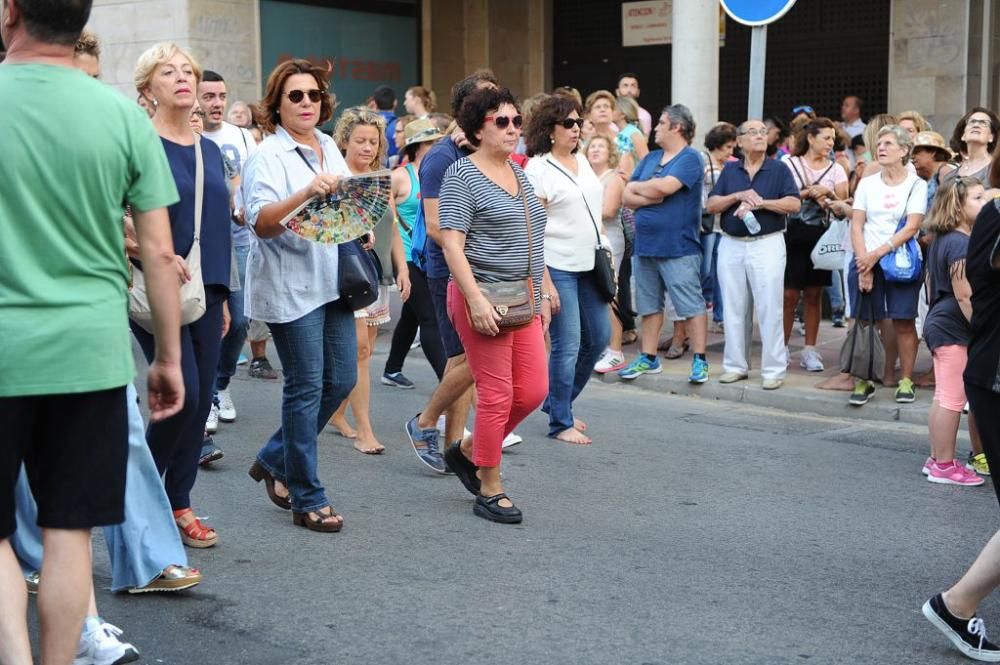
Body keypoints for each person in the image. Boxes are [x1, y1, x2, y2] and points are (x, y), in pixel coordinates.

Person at [0, 2, 184, 662]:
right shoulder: (119, 116)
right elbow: (160, 254)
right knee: (68, 528)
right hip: (90, 352)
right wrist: (167, 357)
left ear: (11, 12)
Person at [243, 58, 355, 532]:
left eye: (313, 95)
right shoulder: (266, 155)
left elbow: (345, 201)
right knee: (306, 386)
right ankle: (306, 496)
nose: (306, 102)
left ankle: (274, 457)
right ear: (277, 104)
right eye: (295, 95)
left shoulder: (329, 144)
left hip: (333, 280)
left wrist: (360, 220)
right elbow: (261, 223)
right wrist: (307, 192)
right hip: (290, 285)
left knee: (341, 380)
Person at [132, 42, 233, 548]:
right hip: (157, 286)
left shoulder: (208, 148)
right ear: (146, 88)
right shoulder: (137, 145)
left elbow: (214, 226)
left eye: (188, 70)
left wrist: (223, 293)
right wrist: (146, 250)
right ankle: (139, 496)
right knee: (184, 396)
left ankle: (179, 501)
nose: (182, 78)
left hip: (206, 289)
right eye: (167, 71)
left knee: (199, 402)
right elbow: (109, 215)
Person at [438, 86, 551, 523]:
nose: (512, 129)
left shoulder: (520, 173)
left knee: (534, 391)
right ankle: (490, 484)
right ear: (477, 128)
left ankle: (468, 450)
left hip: (522, 299)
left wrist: (541, 299)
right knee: (497, 394)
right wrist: (475, 300)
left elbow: (534, 241)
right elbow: (452, 244)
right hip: (480, 297)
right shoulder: (462, 175)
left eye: (516, 121)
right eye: (501, 122)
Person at [404, 69, 518, 475]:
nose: (501, 116)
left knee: (465, 361)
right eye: (491, 108)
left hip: (489, 274)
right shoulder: (439, 157)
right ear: (469, 110)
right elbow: (436, 226)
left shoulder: (484, 152)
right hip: (448, 272)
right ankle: (426, 424)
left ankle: (452, 442)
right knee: (466, 360)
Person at [921, 182, 1000, 661]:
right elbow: (969, 292)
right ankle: (956, 603)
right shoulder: (992, 218)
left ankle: (957, 604)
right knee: (947, 399)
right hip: (992, 374)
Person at [524, 94, 609, 444]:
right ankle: (561, 421)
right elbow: (532, 228)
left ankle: (558, 402)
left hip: (591, 263)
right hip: (557, 267)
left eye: (579, 122)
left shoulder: (583, 162)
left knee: (600, 338)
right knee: (568, 343)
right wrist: (544, 283)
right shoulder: (538, 169)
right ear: (550, 129)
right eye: (569, 124)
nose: (577, 129)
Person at [327, 107, 411, 455]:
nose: (366, 147)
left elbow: (391, 226)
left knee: (366, 350)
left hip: (377, 276)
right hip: (347, 275)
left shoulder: (382, 177)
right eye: (360, 140)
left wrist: (402, 267)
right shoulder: (335, 176)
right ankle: (365, 430)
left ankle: (337, 412)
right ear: (344, 141)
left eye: (373, 142)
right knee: (360, 351)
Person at [706, 119, 801, 390]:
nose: (759, 136)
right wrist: (738, 195)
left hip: (767, 242)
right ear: (740, 141)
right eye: (753, 132)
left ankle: (773, 369)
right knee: (734, 307)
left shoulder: (779, 168)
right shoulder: (730, 170)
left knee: (770, 306)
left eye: (763, 132)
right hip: (731, 242)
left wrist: (762, 203)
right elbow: (712, 204)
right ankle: (735, 366)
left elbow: (794, 203)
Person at [619, 105, 708, 384]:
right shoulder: (651, 158)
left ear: (676, 127)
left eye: (660, 122)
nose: (655, 127)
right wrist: (651, 194)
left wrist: (646, 190)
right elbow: (626, 195)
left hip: (678, 246)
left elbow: (667, 188)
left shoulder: (691, 158)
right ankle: (648, 357)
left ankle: (700, 359)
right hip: (645, 245)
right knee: (649, 305)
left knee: (690, 304)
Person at [847, 125, 927, 406]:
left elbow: (912, 227)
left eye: (888, 143)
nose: (880, 148)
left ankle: (905, 379)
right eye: (879, 143)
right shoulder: (868, 184)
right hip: (866, 259)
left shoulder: (917, 184)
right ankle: (863, 379)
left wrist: (875, 256)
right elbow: (856, 225)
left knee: (904, 320)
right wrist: (864, 264)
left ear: (904, 151)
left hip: (900, 261)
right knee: (865, 321)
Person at [198, 69, 258, 438]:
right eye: (209, 97)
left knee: (239, 321)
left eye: (221, 96)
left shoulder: (240, 136)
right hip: (201, 241)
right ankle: (206, 397)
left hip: (240, 239)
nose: (216, 103)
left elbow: (248, 183)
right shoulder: (190, 133)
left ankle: (221, 384)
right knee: (206, 321)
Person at [920, 177, 986, 486]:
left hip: (941, 321)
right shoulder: (959, 243)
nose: (984, 204)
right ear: (958, 207)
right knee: (951, 400)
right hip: (953, 325)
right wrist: (982, 329)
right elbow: (964, 295)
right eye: (977, 199)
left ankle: (937, 460)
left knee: (944, 396)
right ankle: (944, 466)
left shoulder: (943, 239)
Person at [382, 118, 448, 388]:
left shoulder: (442, 173)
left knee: (412, 313)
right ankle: (448, 380)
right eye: (431, 142)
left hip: (430, 256)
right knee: (429, 317)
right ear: (417, 146)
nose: (436, 146)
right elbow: (387, 220)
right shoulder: (400, 176)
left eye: (437, 141)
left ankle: (392, 369)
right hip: (407, 255)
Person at [782, 118, 849, 372]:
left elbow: (844, 204)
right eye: (826, 138)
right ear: (810, 138)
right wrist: (807, 193)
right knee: (789, 294)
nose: (830, 144)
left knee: (814, 294)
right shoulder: (789, 163)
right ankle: (782, 347)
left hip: (821, 236)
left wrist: (829, 195)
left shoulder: (837, 168)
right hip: (791, 235)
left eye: (833, 139)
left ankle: (810, 350)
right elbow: (779, 196)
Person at [589, 134, 630, 374]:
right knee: (594, 295)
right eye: (592, 146)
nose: (595, 150)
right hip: (588, 240)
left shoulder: (613, 178)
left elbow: (609, 209)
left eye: (600, 146)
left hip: (609, 240)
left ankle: (615, 351)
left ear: (610, 152)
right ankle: (602, 347)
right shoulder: (584, 176)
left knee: (609, 293)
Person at [700, 122, 738, 334]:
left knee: (721, 271)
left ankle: (720, 316)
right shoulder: (702, 160)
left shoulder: (731, 165)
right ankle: (704, 302)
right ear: (717, 144)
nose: (731, 152)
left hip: (722, 225)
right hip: (705, 223)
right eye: (727, 147)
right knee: (705, 270)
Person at [943, 107, 1000, 186]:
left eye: (983, 123)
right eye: (972, 122)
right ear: (963, 135)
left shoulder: (996, 170)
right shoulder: (949, 177)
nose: (976, 125)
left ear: (991, 137)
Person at [912, 131, 954, 208]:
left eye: (916, 152)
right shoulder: (923, 176)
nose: (913, 156)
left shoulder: (945, 172)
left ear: (933, 152)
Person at [614, 95, 649, 174]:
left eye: (613, 109)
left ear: (623, 114)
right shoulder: (617, 132)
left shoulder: (633, 132)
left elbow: (646, 161)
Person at [369, 84, 399, 163]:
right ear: (395, 102)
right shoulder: (400, 127)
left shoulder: (367, 125)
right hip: (395, 172)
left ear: (375, 103)